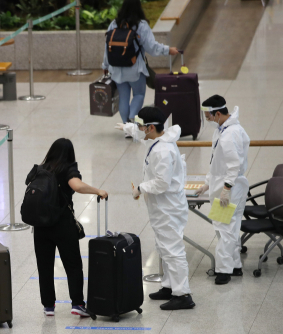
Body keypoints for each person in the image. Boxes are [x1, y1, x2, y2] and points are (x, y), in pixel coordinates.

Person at [117, 107, 195, 310]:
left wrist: (141, 188)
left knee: (172, 251)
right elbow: (143, 138)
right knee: (164, 248)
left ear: (151, 127)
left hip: (168, 209)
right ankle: (169, 286)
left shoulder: (163, 150)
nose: (140, 129)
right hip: (161, 208)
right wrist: (128, 128)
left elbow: (162, 183)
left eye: (142, 126)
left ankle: (183, 294)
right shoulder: (159, 140)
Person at [30, 138, 108, 317]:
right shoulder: (68, 168)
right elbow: (77, 186)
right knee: (73, 265)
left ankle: (48, 305)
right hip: (62, 224)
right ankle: (77, 304)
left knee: (45, 266)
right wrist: (97, 191)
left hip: (40, 225)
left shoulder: (40, 169)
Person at [102, 0, 179, 133]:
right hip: (134, 69)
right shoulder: (141, 25)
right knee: (138, 94)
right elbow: (152, 47)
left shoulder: (114, 24)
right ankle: (132, 122)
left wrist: (105, 65)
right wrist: (168, 50)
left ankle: (126, 128)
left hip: (116, 69)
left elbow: (106, 47)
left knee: (123, 97)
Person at [196, 95, 250, 285]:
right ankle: (234, 265)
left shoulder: (229, 135)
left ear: (218, 113)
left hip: (230, 188)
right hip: (226, 185)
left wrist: (226, 189)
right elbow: (215, 163)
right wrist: (207, 183)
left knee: (224, 229)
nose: (208, 120)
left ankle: (224, 270)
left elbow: (233, 165)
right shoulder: (224, 130)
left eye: (209, 116)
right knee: (230, 227)